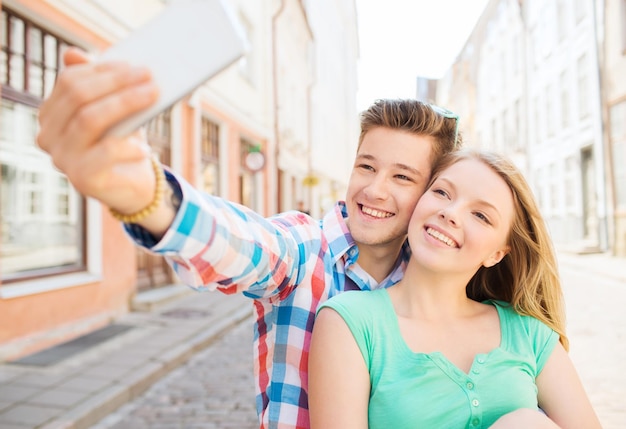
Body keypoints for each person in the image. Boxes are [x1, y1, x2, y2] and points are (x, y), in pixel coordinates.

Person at [36, 48, 461, 429]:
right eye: (366, 166)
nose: (374, 189)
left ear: (431, 193)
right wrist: (148, 196)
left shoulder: (435, 276)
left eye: (402, 177)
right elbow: (244, 243)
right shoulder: (304, 248)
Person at [308, 149, 602, 429]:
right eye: (442, 193)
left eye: (481, 216)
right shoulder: (350, 322)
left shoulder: (528, 334)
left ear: (497, 254)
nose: (451, 213)